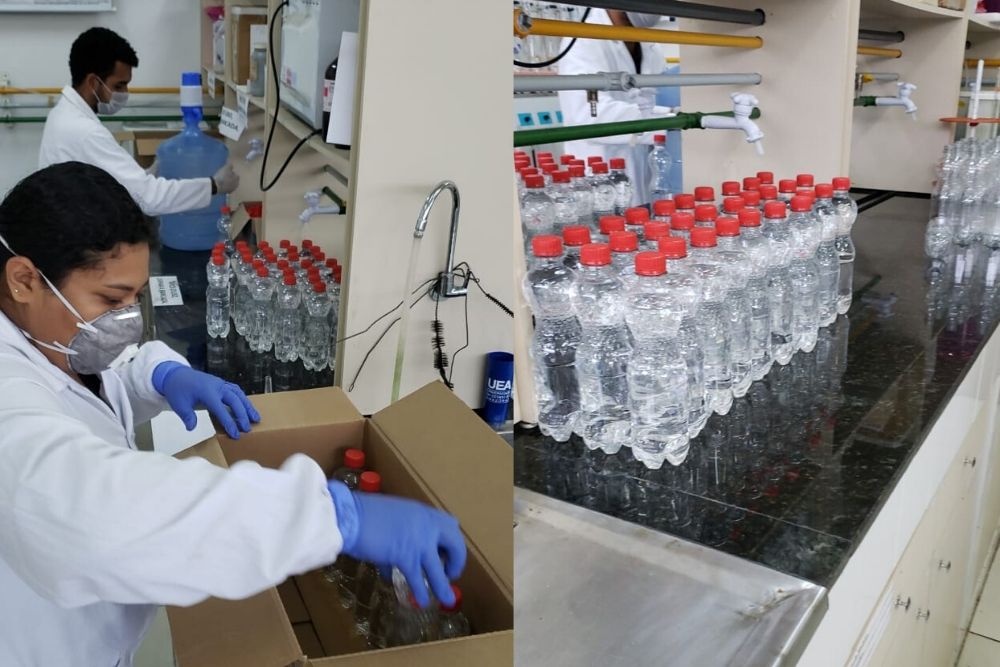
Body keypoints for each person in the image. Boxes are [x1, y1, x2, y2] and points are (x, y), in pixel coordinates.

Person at [0, 162, 465, 665]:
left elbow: (97, 377)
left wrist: (160, 374)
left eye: (136, 298)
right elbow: (97, 517)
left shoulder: (46, 335)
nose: (128, 321)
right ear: (25, 279)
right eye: (112, 299)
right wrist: (329, 518)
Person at [38, 27, 239, 216]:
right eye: (119, 85)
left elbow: (108, 183)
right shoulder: (84, 131)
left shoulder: (62, 113)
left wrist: (145, 174)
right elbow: (148, 199)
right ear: (93, 82)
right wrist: (214, 185)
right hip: (76, 232)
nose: (125, 93)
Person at [556, 10, 671, 206]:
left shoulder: (651, 45)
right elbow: (589, 115)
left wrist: (667, 118)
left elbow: (661, 100)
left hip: (645, 182)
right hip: (601, 183)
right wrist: (668, 122)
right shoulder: (582, 38)